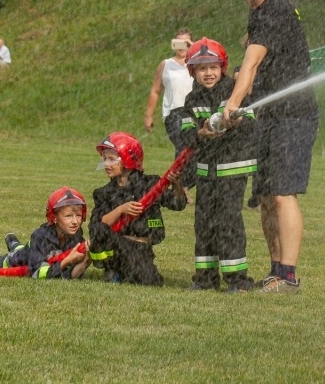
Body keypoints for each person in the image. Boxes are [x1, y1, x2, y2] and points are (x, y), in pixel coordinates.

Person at [223, 0, 319, 294]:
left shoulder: (274, 11)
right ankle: (276, 271)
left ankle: (289, 276)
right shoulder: (257, 12)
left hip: (294, 115)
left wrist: (232, 104)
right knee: (264, 195)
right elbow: (253, 66)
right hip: (269, 114)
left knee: (281, 193)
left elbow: (251, 64)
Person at [180, 38, 257, 293]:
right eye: (202, 68)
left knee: (227, 222)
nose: (208, 73)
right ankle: (205, 278)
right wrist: (200, 133)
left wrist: (234, 123)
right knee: (204, 223)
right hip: (206, 173)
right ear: (193, 72)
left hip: (231, 170)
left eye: (213, 67)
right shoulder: (192, 99)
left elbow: (251, 123)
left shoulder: (235, 91)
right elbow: (185, 132)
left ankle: (238, 280)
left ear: (222, 67)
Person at [88, 131, 187, 286]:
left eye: (112, 159)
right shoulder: (104, 193)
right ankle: (112, 268)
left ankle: (127, 270)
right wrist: (121, 209)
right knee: (100, 231)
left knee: (149, 281)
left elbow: (178, 204)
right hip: (117, 245)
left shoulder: (150, 185)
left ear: (129, 159)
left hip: (140, 247)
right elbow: (98, 224)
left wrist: (177, 184)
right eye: (104, 159)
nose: (106, 164)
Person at [0, 187, 91, 280]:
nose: (75, 221)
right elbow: (37, 273)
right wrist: (67, 260)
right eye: (68, 216)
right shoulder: (40, 236)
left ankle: (14, 242)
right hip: (17, 261)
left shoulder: (76, 235)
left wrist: (86, 260)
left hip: (30, 252)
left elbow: (68, 275)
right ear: (54, 217)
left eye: (78, 215)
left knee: (24, 249)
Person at [143, 28, 195, 201]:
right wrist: (148, 116)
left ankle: (184, 184)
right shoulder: (166, 65)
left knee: (198, 149)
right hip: (174, 112)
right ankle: (179, 185)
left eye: (186, 42)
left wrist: (194, 49)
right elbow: (155, 90)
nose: (182, 46)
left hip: (194, 111)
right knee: (183, 145)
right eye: (178, 42)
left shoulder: (197, 62)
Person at [233, 33, 259, 210]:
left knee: (260, 157)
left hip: (265, 116)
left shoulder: (272, 69)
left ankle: (257, 197)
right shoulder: (240, 69)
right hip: (247, 118)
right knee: (245, 156)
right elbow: (246, 90)